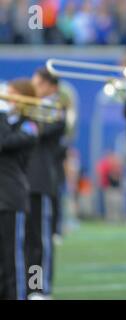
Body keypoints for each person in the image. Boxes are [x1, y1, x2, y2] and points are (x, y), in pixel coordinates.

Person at [26, 68, 66, 299]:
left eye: (38, 84)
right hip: (25, 182)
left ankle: (40, 289)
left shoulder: (55, 108)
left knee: (40, 241)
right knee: (26, 240)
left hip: (41, 181)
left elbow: (39, 131)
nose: (34, 89)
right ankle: (28, 287)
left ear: (51, 87)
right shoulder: (34, 107)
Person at [0, 79, 39, 299]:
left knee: (13, 258)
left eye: (12, 94)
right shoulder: (7, 121)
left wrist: (2, 114)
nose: (7, 98)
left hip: (11, 196)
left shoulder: (30, 125)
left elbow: (4, 142)